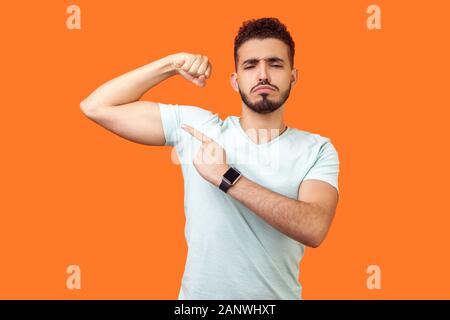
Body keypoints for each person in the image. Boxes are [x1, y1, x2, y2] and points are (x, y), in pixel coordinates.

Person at [80, 17, 340, 300]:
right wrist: (171, 64)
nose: (262, 75)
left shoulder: (317, 149)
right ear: (235, 79)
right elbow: (96, 106)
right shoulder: (199, 128)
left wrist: (228, 177)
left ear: (293, 76)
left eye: (275, 64)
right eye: (250, 65)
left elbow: (314, 228)